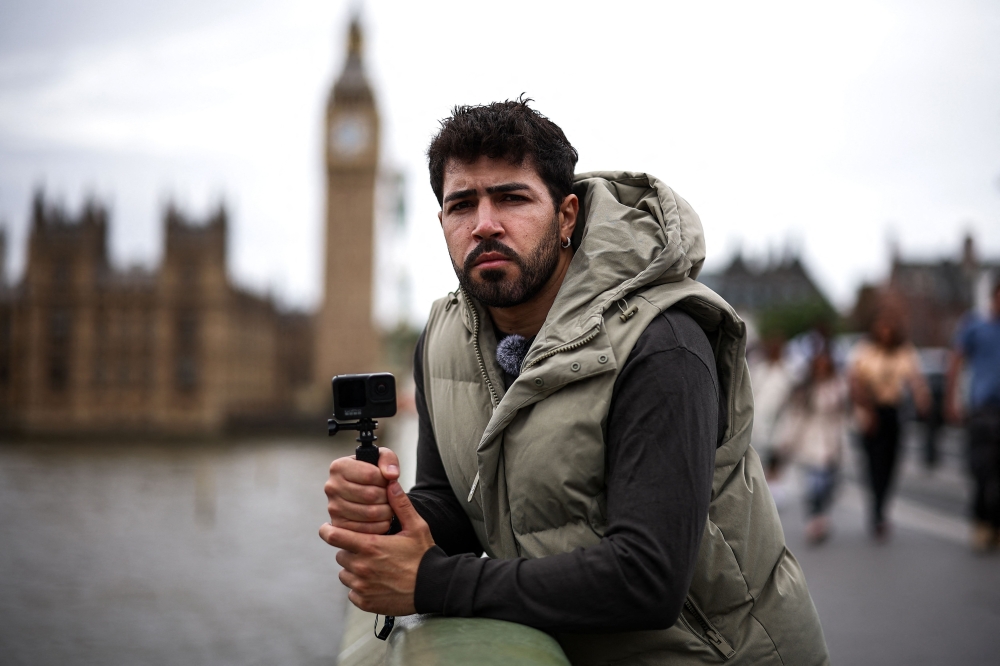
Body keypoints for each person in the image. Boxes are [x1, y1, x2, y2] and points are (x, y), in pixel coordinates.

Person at [319, 99, 828, 665]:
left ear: (566, 217)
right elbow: (454, 506)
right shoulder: (440, 340)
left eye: (512, 197)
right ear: (442, 223)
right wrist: (391, 512)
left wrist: (432, 582)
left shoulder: (662, 342)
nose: (484, 224)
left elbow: (648, 576)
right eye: (462, 204)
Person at [848, 310, 930, 540]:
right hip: (870, 411)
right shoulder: (865, 351)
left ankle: (882, 506)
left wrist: (923, 399)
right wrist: (865, 406)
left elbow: (915, 379)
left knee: (891, 461)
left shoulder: (904, 352)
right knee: (873, 461)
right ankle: (876, 507)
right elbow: (854, 380)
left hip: (892, 412)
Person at [946, 280, 1000, 553]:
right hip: (984, 409)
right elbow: (956, 360)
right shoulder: (976, 327)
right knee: (982, 468)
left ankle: (995, 525)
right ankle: (981, 522)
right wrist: (951, 398)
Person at [775, 348, 848, 544]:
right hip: (809, 441)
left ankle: (821, 517)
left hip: (831, 441)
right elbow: (795, 417)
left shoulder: (838, 387)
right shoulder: (805, 390)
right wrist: (787, 440)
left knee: (828, 484)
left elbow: (844, 416)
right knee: (813, 484)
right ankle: (815, 519)